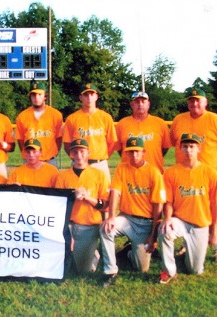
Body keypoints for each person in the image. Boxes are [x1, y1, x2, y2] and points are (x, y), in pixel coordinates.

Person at [170, 87, 217, 267]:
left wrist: (213, 161)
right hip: (185, 175)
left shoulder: (216, 121)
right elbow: (173, 141)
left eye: (198, 100)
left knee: (215, 212)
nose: (194, 103)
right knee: (185, 211)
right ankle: (187, 245)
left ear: (205, 102)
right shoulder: (179, 120)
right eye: (191, 100)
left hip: (211, 176)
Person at [100, 137, 166, 287]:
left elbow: (158, 206)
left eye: (137, 151)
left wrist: (153, 236)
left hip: (146, 223)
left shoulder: (154, 172)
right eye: (130, 152)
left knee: (141, 268)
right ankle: (111, 270)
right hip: (127, 219)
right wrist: (111, 217)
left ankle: (129, 251)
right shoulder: (122, 168)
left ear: (144, 152)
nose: (134, 155)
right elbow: (115, 192)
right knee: (106, 228)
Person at [158, 133, 217, 284]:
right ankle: (169, 270)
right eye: (185, 146)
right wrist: (167, 219)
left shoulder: (210, 173)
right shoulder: (171, 172)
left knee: (194, 270)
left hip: (200, 224)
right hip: (180, 221)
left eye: (192, 146)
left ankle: (186, 255)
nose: (188, 150)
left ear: (199, 148)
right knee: (165, 230)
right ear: (180, 149)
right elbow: (169, 202)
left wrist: (214, 232)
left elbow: (214, 205)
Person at [54, 139, 110, 274]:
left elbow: (106, 206)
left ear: (88, 153)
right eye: (75, 152)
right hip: (68, 225)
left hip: (88, 225)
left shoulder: (99, 175)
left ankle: (94, 254)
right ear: (71, 154)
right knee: (61, 264)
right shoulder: (63, 176)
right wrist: (72, 196)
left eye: (82, 151)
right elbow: (58, 205)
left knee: (82, 270)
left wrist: (87, 198)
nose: (79, 155)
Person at [63, 83, 117, 181]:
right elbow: (67, 144)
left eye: (92, 94)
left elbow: (112, 142)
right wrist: (76, 158)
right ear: (80, 97)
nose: (89, 98)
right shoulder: (72, 118)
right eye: (86, 95)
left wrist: (102, 157)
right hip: (79, 164)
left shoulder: (106, 117)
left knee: (103, 195)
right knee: (77, 194)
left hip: (100, 164)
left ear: (96, 96)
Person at [115, 91, 171, 172]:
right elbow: (120, 149)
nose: (140, 104)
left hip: (154, 172)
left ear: (148, 104)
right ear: (132, 105)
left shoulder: (160, 123)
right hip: (129, 173)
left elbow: (165, 148)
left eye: (143, 102)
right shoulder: (122, 124)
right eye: (137, 102)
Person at [15, 81, 63, 167]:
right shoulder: (22, 116)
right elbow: (21, 141)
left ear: (45, 96)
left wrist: (53, 154)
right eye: (33, 95)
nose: (36, 97)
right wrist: (28, 155)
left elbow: (59, 138)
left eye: (39, 94)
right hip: (30, 160)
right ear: (30, 97)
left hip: (49, 160)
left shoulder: (56, 115)